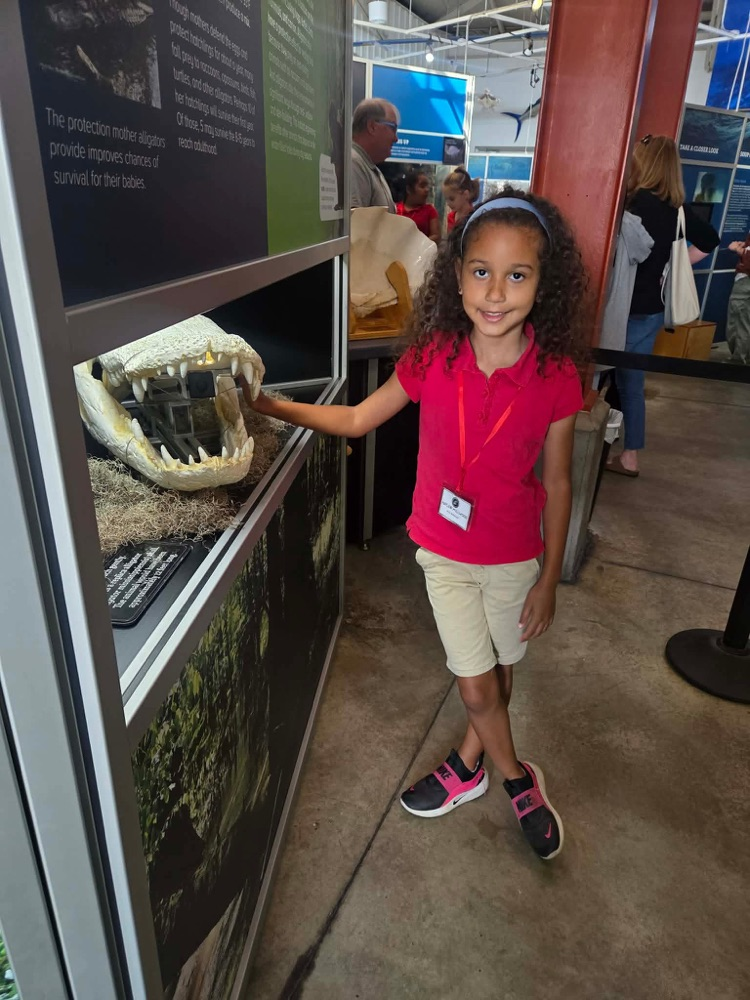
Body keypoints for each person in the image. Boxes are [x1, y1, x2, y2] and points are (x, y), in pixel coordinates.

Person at [241, 188, 588, 861]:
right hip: (446, 554)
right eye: (481, 271)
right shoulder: (433, 357)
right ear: (456, 276)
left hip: (514, 557)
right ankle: (519, 781)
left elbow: (559, 482)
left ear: (543, 285)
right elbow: (356, 419)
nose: (496, 293)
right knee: (475, 683)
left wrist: (549, 578)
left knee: (499, 672)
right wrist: (269, 404)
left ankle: (466, 765)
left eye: (517, 275)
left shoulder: (556, 376)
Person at [608, 135, 719, 477]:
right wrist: (675, 264)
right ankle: (626, 451)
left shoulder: (632, 203)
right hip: (654, 309)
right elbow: (711, 240)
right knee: (631, 383)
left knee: (608, 376)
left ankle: (618, 448)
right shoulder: (677, 209)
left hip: (623, 307)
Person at [351, 98, 399, 212]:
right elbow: (355, 221)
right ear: (372, 126)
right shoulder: (352, 163)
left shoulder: (368, 167)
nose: (396, 138)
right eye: (393, 128)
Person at [396, 169, 441, 243]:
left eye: (427, 186)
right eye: (422, 186)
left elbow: (436, 236)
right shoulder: (396, 209)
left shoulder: (430, 210)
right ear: (409, 189)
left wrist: (418, 246)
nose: (427, 190)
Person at [726, 235, 750, 365]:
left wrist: (738, 249)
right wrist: (746, 245)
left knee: (738, 321)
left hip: (746, 280)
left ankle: (738, 360)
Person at [443, 166, 480, 232]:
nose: (448, 203)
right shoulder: (451, 217)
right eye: (446, 199)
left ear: (465, 194)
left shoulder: (475, 216)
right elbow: (450, 237)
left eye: (452, 199)